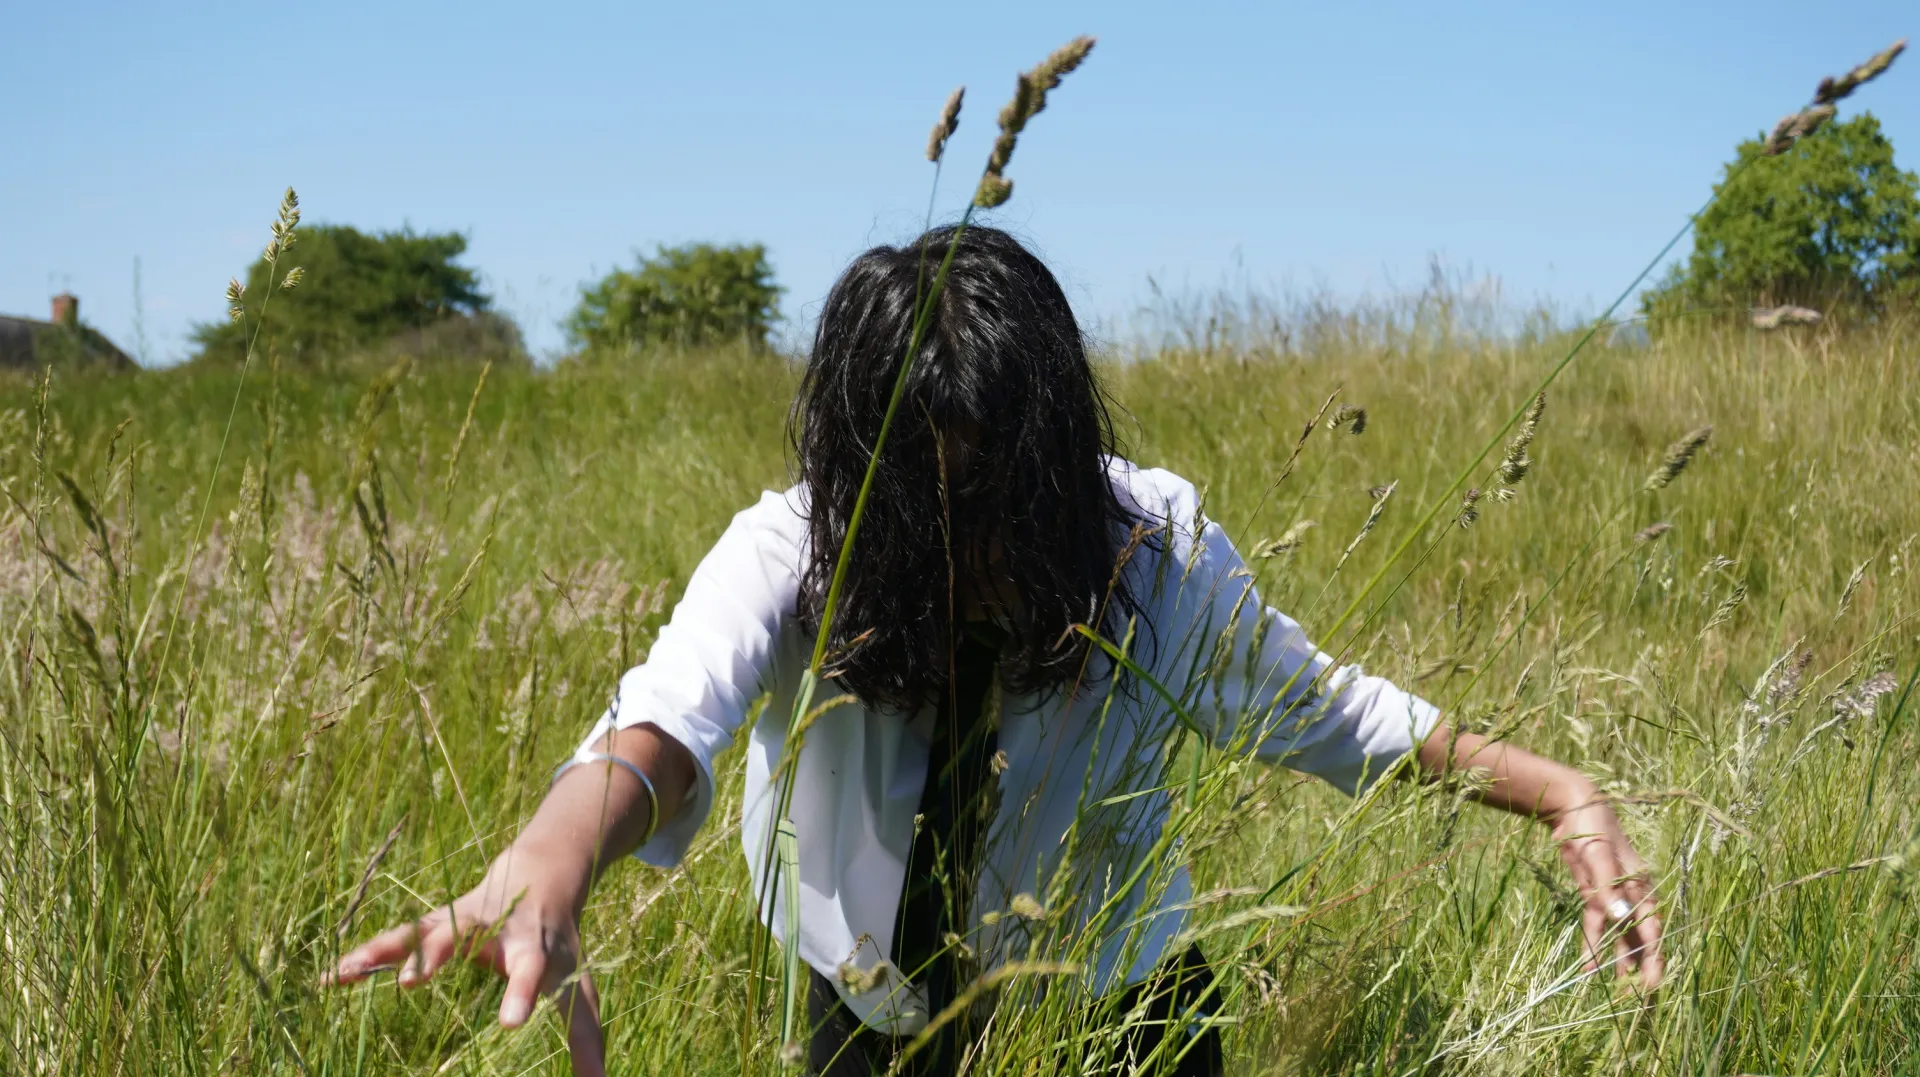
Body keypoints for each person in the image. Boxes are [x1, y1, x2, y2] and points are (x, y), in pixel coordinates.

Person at [329, 225, 1663, 1076]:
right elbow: (665, 732)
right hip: (861, 986)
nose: (975, 549)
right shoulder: (790, 554)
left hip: (1120, 989)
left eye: (1008, 497)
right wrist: (550, 864)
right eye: (929, 506)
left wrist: (1555, 789)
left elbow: (1329, 716)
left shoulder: (1152, 547)